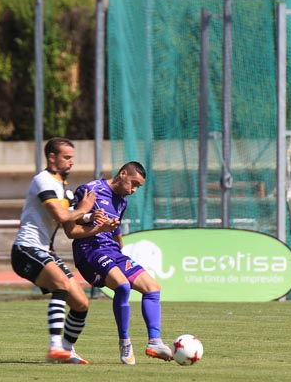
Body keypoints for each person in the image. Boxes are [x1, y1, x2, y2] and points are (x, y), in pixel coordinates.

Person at [11, 137, 119, 364]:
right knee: (60, 284)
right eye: (67, 157)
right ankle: (55, 347)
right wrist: (84, 208)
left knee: (81, 303)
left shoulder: (62, 187)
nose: (71, 162)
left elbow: (72, 225)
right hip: (26, 249)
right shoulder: (43, 180)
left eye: (72, 158)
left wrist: (93, 220)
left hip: (45, 251)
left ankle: (67, 350)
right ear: (52, 157)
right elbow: (61, 215)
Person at [67, 161, 173, 365]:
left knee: (152, 288)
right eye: (134, 183)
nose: (134, 190)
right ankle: (124, 342)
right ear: (123, 173)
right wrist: (94, 221)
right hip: (89, 250)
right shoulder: (90, 190)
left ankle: (155, 342)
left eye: (138, 187)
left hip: (112, 251)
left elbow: (115, 229)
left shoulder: (122, 201)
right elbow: (72, 226)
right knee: (123, 286)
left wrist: (121, 250)